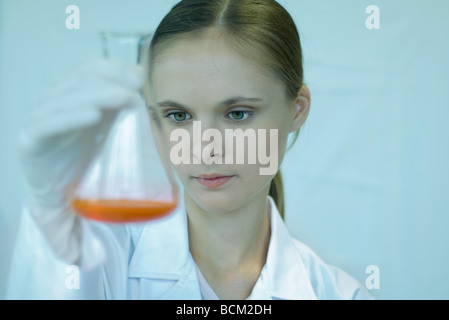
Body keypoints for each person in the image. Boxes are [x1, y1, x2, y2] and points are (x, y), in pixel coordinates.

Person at [7, 0, 372, 300]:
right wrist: (46, 213)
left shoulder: (339, 294)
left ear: (297, 110)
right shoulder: (94, 262)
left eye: (237, 113)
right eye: (178, 115)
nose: (204, 149)